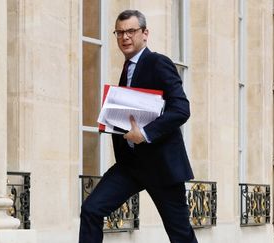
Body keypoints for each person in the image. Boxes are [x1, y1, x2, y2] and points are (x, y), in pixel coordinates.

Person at [79, 10, 198, 243]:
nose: (125, 37)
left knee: (180, 234)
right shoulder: (127, 69)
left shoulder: (158, 62)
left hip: (162, 166)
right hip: (130, 166)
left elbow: (181, 109)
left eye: (131, 31)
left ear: (145, 34)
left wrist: (144, 133)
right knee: (91, 210)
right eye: (120, 32)